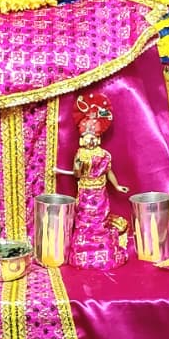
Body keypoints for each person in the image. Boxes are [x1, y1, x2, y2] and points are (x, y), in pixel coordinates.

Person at [66, 92, 128, 269]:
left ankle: (100, 243)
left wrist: (117, 186)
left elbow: (108, 172)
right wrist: (77, 166)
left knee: (100, 218)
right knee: (84, 218)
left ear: (98, 138)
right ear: (82, 139)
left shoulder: (103, 154)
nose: (91, 141)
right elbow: (77, 175)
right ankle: (84, 246)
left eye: (94, 138)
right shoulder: (80, 154)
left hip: (100, 192)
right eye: (88, 138)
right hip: (85, 192)